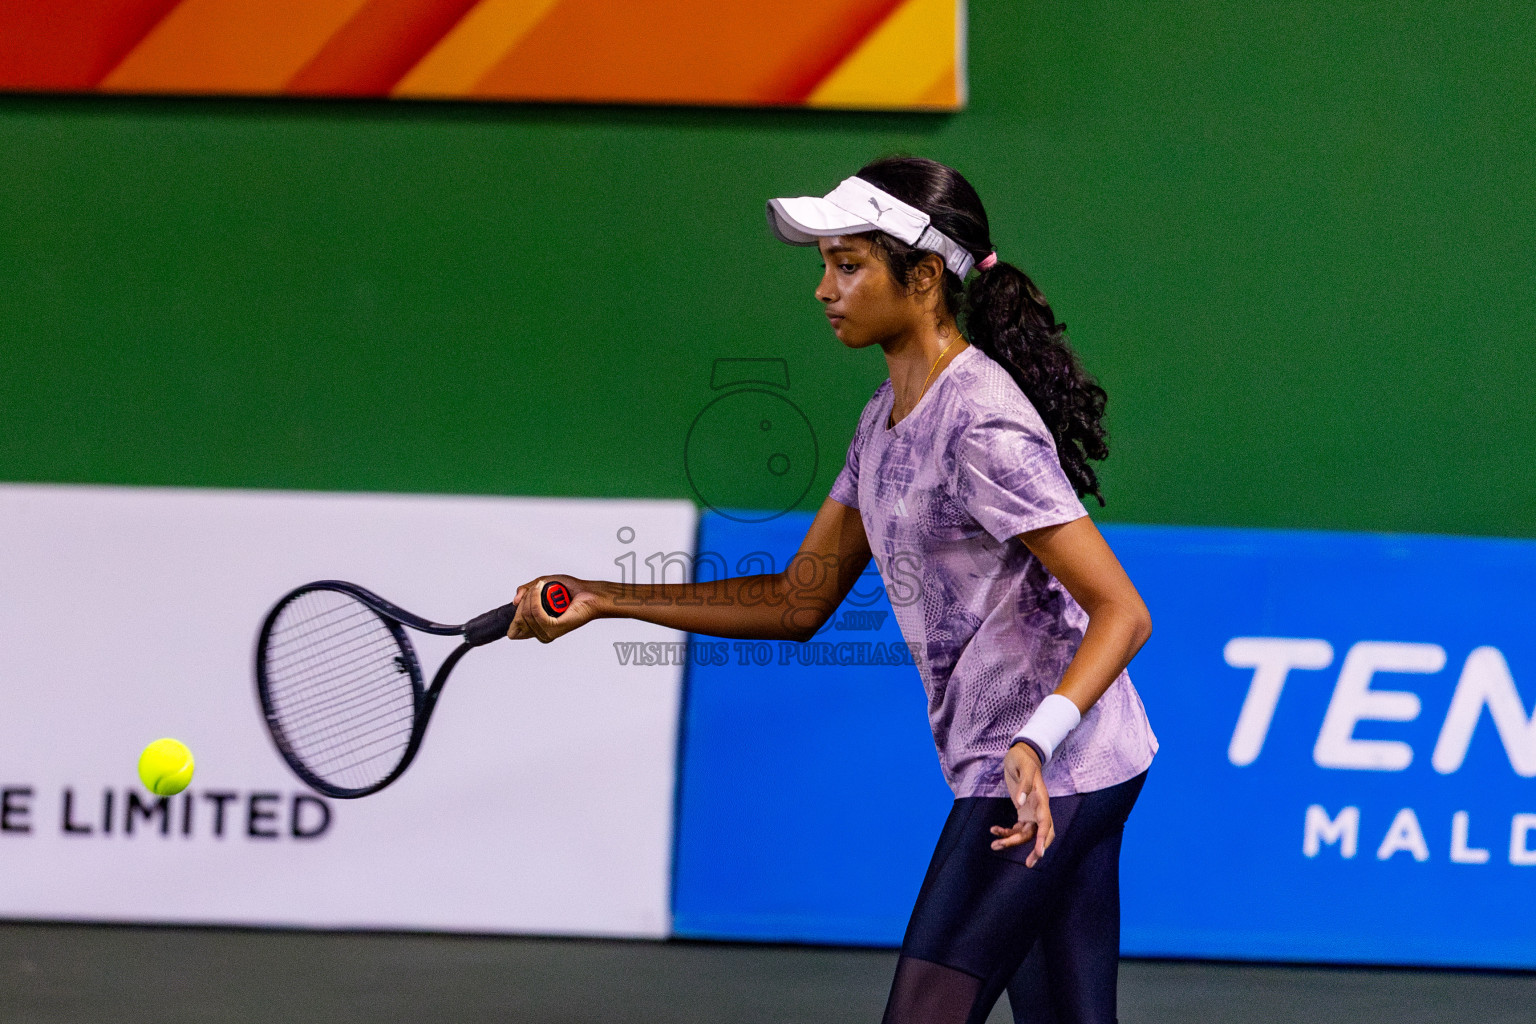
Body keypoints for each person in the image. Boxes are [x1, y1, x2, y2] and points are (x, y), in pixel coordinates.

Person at [506, 156, 1157, 1024]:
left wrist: (1037, 742)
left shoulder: (984, 423)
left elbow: (1123, 611)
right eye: (825, 265)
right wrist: (604, 598)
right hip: (1059, 760)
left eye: (848, 265)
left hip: (1051, 766)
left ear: (925, 278)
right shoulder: (880, 423)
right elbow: (796, 600)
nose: (823, 289)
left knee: (923, 1013)